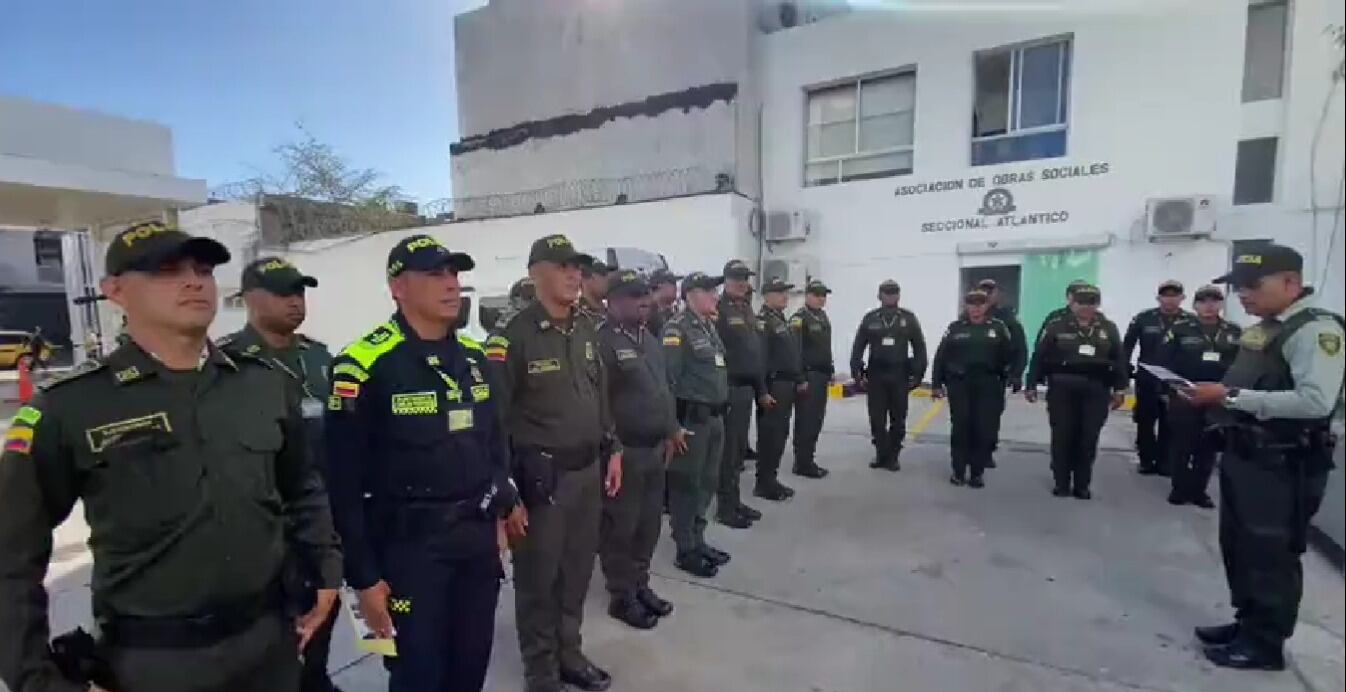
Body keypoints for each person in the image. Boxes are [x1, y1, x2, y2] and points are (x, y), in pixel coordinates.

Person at [0, 221, 342, 692]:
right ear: (115, 291)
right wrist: (36, 679)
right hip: (156, 663)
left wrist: (325, 568)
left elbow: (302, 487)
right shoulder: (69, 407)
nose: (193, 282)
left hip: (269, 646)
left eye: (203, 270)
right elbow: (11, 554)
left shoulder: (263, 383)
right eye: (166, 270)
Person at [1181, 245, 1343, 671]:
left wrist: (1230, 396)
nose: (1243, 295)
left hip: (1282, 462)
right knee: (1241, 546)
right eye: (1238, 287)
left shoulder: (1315, 331)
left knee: (1270, 552)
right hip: (1248, 453)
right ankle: (1247, 624)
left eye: (1252, 286)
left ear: (1291, 283)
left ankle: (1266, 643)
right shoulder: (1269, 327)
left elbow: (1315, 402)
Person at [487, 234, 622, 692]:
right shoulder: (512, 336)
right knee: (538, 581)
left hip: (587, 473)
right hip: (542, 481)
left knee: (577, 573)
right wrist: (506, 492)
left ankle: (569, 654)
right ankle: (541, 671)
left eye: (577, 267)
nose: (573, 275)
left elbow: (600, 395)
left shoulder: (585, 327)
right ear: (535, 274)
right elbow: (494, 421)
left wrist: (613, 448)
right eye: (562, 266)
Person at [219, 257, 343, 692]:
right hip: (268, 531)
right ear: (250, 299)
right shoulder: (226, 364)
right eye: (282, 293)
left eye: (300, 292)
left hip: (323, 521)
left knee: (320, 628)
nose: (295, 302)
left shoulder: (319, 358)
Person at [596, 270, 684, 628]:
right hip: (625, 453)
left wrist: (670, 429)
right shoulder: (603, 342)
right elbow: (599, 403)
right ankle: (621, 595)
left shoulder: (649, 338)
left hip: (654, 449)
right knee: (622, 528)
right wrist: (613, 447)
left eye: (645, 295)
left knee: (648, 526)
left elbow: (662, 390)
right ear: (613, 302)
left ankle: (640, 584)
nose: (643, 302)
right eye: (634, 296)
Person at [1025, 285, 1128, 499]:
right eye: (1081, 302)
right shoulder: (1057, 326)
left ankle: (1082, 484)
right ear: (1072, 304)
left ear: (1097, 304)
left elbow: (1119, 359)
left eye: (1091, 302)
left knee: (1088, 437)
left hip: (1096, 388)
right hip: (1063, 387)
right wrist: (1031, 383)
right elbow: (1039, 356)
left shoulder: (1108, 328)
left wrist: (1120, 389)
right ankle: (1061, 482)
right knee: (1063, 435)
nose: (1086, 307)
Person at [663, 272, 732, 578]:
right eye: (709, 291)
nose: (716, 296)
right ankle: (685, 548)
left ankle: (698, 539)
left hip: (714, 418)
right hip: (691, 421)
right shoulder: (677, 329)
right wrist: (672, 426)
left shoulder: (708, 327)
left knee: (707, 483)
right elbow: (668, 381)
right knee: (687, 485)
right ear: (691, 294)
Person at [1161, 285, 1242, 508]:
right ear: (1195, 305)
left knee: (1208, 446)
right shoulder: (1180, 329)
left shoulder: (1234, 331)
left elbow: (1241, 365)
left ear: (1221, 304)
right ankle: (1179, 488)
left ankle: (1199, 491)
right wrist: (1170, 390)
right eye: (1203, 301)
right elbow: (1165, 360)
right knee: (1181, 444)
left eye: (1214, 301)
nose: (1209, 306)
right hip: (1185, 394)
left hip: (1217, 396)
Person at [931, 290, 1015, 488]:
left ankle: (977, 473)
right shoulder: (955, 328)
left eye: (980, 304)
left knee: (983, 428)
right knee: (961, 427)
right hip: (960, 384)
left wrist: (1010, 376)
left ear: (987, 306)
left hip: (988, 384)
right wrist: (936, 384)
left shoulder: (998, 328)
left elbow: (1010, 355)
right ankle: (958, 471)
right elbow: (941, 357)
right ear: (966, 306)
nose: (976, 308)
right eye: (972, 304)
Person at [715, 259, 771, 526]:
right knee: (727, 454)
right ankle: (725, 508)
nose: (742, 283)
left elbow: (754, 353)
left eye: (745, 279)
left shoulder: (746, 309)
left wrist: (761, 389)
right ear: (726, 280)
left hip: (747, 389)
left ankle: (735, 501)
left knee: (737, 452)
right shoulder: (718, 310)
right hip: (730, 388)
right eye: (737, 278)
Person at [850, 280, 927, 471]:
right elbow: (858, 347)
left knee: (898, 419)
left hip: (899, 374)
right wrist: (857, 373)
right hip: (876, 374)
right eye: (887, 292)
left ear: (899, 295)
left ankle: (893, 456)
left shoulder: (908, 318)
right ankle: (881, 453)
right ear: (880, 295)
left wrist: (918, 374)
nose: (890, 296)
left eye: (894, 292)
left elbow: (919, 347)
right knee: (876, 418)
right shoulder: (870, 318)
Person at [1125, 280, 1192, 475]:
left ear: (1182, 298)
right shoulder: (1144, 318)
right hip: (1147, 378)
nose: (1169, 300)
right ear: (1158, 298)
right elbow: (1127, 345)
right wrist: (1124, 371)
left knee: (1169, 421)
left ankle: (1165, 461)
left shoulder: (1190, 321)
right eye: (1166, 296)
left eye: (1174, 296)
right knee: (1145, 420)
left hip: (1174, 380)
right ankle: (1146, 459)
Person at [755, 277, 805, 501]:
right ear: (767, 296)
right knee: (770, 436)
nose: (785, 296)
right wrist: (763, 390)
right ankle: (764, 484)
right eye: (780, 292)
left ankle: (771, 479)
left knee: (780, 435)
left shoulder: (779, 319)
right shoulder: (763, 321)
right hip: (774, 384)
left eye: (786, 292)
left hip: (786, 384)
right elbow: (760, 358)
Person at [977, 279, 1027, 468]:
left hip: (995, 376)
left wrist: (1017, 374)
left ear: (997, 294)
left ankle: (987, 452)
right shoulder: (968, 317)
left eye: (990, 291)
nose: (987, 295)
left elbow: (1020, 348)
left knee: (991, 416)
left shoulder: (1007, 319)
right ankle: (969, 452)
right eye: (983, 290)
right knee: (969, 417)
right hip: (969, 377)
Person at [790, 279, 833, 479]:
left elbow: (825, 347)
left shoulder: (822, 317)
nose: (821, 299)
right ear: (807, 295)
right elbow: (795, 351)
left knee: (816, 419)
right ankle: (802, 462)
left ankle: (809, 458)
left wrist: (830, 369)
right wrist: (800, 378)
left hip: (821, 375)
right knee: (806, 420)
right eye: (817, 295)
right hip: (808, 376)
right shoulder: (799, 318)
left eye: (823, 295)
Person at [646, 268, 683, 336]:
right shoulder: (646, 312)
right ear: (660, 285)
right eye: (673, 283)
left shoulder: (671, 312)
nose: (676, 287)